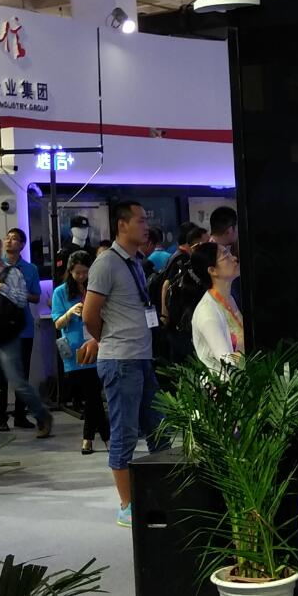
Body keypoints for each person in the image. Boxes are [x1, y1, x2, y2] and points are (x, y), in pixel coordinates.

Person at [83, 201, 169, 528]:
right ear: (122, 225)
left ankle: (158, 495)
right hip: (121, 360)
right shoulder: (106, 263)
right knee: (125, 433)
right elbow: (90, 315)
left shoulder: (135, 262)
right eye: (141, 220)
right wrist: (106, 340)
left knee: (159, 429)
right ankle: (127, 505)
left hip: (141, 358)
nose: (146, 226)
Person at [0, 234, 53, 439]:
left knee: (17, 381)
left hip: (7, 336)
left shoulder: (14, 273)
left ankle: (42, 415)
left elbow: (21, 300)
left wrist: (2, 287)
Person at [51, 251, 108, 455]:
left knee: (93, 395)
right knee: (91, 396)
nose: (82, 276)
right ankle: (104, 437)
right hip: (76, 351)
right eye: (77, 273)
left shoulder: (96, 289)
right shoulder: (60, 292)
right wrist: (70, 312)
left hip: (98, 345)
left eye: (85, 272)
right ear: (70, 271)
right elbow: (57, 323)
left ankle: (90, 439)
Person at [2, 228, 41, 431]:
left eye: (14, 238)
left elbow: (36, 297)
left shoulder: (30, 269)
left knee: (22, 373)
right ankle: (0, 418)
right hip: (0, 328)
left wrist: (17, 293)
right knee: (1, 374)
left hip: (23, 327)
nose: (9, 241)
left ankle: (20, 415)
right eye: (7, 238)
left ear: (22, 245)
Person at [188, 243, 244, 375]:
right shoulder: (208, 312)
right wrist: (245, 351)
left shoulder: (229, 299)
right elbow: (226, 360)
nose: (234, 258)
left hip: (240, 378)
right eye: (226, 256)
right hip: (223, 383)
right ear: (212, 270)